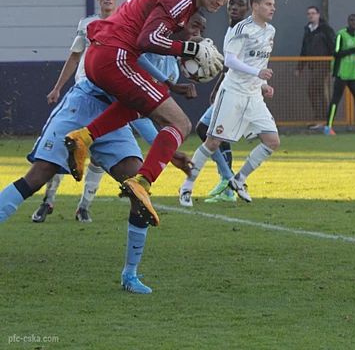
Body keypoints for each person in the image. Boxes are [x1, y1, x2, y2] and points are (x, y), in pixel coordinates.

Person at [0, 20, 204, 292]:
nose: (196, 33)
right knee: (38, 176)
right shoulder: (147, 38)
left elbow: (141, 109)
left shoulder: (171, 68)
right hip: (84, 103)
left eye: (201, 30)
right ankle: (78, 146)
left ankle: (130, 275)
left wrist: (168, 148)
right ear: (178, 26)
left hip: (115, 117)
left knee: (138, 186)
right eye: (194, 26)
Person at [63, 0, 240, 227]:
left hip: (105, 54)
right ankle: (142, 182)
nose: (220, 3)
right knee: (181, 123)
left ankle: (83, 137)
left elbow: (147, 36)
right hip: (114, 56)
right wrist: (190, 49)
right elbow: (147, 40)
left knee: (141, 106)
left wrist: (176, 68)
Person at [33, 0, 121, 223]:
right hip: (81, 95)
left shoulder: (126, 23)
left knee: (98, 155)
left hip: (109, 99)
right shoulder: (87, 24)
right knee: (61, 146)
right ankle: (48, 201)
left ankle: (83, 207)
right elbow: (74, 56)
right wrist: (57, 88)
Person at [179, 0, 279, 205]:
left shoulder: (270, 31)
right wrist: (257, 73)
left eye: (273, 4)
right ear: (255, 6)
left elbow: (259, 61)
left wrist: (263, 84)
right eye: (268, 4)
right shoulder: (240, 28)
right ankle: (187, 186)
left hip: (254, 96)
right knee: (213, 141)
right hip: (233, 92)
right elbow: (230, 60)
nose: (273, 8)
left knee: (272, 141)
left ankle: (238, 179)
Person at [187, 0, 250, 205]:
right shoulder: (232, 30)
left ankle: (227, 181)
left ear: (247, 8)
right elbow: (228, 65)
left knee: (207, 130)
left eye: (239, 4)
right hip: (228, 89)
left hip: (238, 91)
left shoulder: (245, 32)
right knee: (209, 131)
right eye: (231, 3)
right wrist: (216, 89)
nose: (234, 7)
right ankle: (228, 181)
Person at [295, 6, 336, 128]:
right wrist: (299, 67)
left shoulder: (325, 29)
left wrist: (334, 63)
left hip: (323, 64)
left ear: (318, 15)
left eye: (313, 13)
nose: (311, 15)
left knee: (313, 89)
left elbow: (333, 45)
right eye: (309, 13)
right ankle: (323, 119)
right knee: (318, 91)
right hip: (312, 66)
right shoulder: (308, 30)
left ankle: (321, 118)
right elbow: (304, 49)